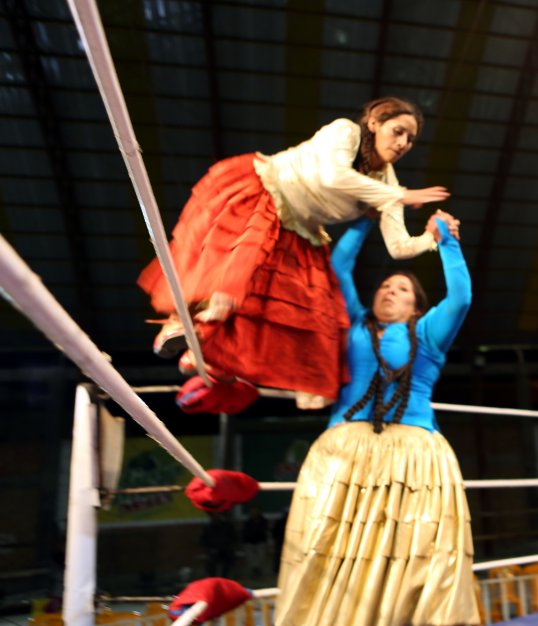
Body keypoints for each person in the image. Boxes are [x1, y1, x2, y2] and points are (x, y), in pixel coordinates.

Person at [138, 97, 449, 409]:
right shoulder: (345, 133)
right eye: (398, 131)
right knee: (233, 270)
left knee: (298, 307)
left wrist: (431, 238)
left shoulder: (389, 184)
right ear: (374, 123)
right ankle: (180, 324)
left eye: (410, 139)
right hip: (265, 192)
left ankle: (215, 358)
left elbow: (398, 247)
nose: (403, 143)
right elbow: (334, 176)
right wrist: (400, 195)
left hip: (297, 230)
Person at [275, 211, 477, 626]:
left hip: (416, 459)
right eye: (386, 286)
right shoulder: (351, 326)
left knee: (437, 565)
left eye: (403, 289)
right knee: (350, 573)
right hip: (345, 458)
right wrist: (367, 219)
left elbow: (462, 296)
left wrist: (444, 236)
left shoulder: (428, 334)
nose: (390, 290)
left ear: (417, 306)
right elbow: (338, 267)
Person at [200, 512, 236, 579]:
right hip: (213, 550)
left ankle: (224, 577)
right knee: (211, 561)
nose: (217, 516)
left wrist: (227, 545)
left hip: (225, 549)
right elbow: (203, 540)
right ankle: (212, 578)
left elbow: (233, 537)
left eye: (218, 514)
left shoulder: (227, 526)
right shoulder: (208, 527)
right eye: (215, 514)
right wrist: (210, 548)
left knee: (228, 559)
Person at [242, 505, 270, 580]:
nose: (255, 512)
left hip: (260, 542)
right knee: (251, 558)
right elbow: (245, 533)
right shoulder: (248, 522)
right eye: (253, 510)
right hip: (250, 542)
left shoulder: (264, 521)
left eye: (257, 510)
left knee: (261, 557)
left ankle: (259, 572)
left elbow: (265, 531)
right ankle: (255, 571)